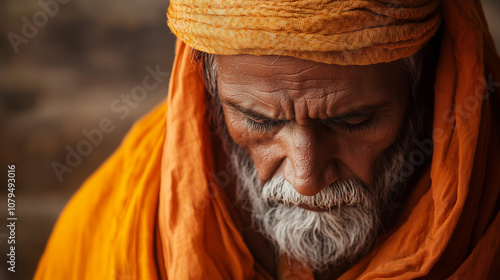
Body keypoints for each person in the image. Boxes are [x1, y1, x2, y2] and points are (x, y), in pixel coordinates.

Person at [35, 0, 500, 279]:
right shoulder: (120, 221)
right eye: (258, 120)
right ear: (207, 93)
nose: (305, 178)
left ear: (429, 87)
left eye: (354, 121)